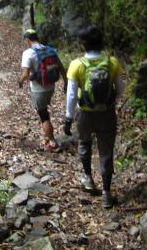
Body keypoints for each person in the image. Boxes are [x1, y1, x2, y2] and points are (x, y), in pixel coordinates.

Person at [63, 25, 124, 208]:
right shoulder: (112, 62)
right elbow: (121, 88)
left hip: (85, 114)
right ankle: (106, 193)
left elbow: (72, 94)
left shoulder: (76, 64)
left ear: (83, 44)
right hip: (107, 114)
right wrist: (109, 102)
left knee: (84, 142)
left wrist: (68, 117)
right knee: (106, 152)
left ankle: (88, 178)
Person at [19, 29, 67, 152]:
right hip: (51, 87)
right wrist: (66, 82)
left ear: (28, 40)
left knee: (43, 115)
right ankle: (48, 136)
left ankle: (52, 142)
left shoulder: (28, 53)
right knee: (45, 110)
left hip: (38, 90)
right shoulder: (50, 49)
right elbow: (61, 68)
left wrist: (20, 82)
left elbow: (25, 74)